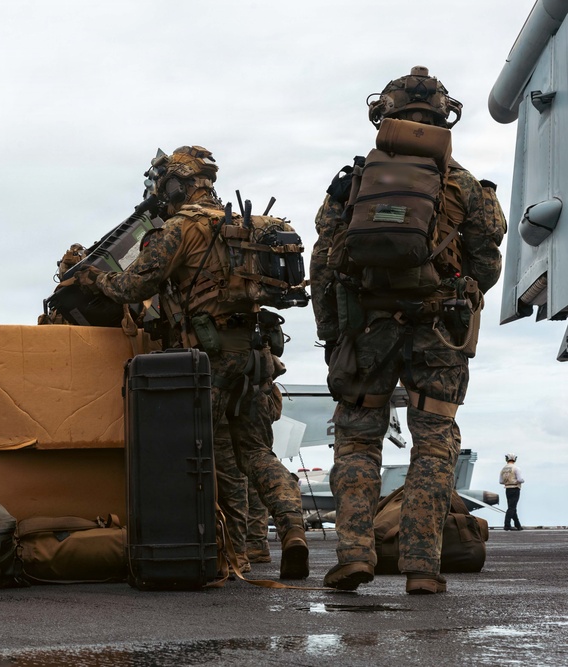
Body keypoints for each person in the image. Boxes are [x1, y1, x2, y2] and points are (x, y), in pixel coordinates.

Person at [311, 67, 507, 594]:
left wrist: (333, 334)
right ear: (444, 119)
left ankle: (354, 554)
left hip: (365, 329)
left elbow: (324, 260)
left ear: (385, 116)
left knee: (356, 441)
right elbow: (488, 264)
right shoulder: (465, 185)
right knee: (434, 444)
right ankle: (422, 567)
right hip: (439, 330)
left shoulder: (353, 182)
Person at [76, 146, 310, 579]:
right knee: (257, 452)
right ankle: (293, 528)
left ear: (175, 185)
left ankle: (223, 555)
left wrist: (94, 278)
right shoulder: (244, 226)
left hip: (209, 362)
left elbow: (136, 284)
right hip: (256, 358)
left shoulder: (181, 228)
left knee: (199, 455)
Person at [500, 453, 524, 531]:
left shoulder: (503, 469)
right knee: (512, 508)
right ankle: (507, 525)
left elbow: (501, 481)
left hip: (507, 489)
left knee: (512, 507)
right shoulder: (516, 468)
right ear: (514, 459)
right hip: (515, 488)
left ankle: (518, 525)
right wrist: (521, 481)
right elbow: (520, 479)